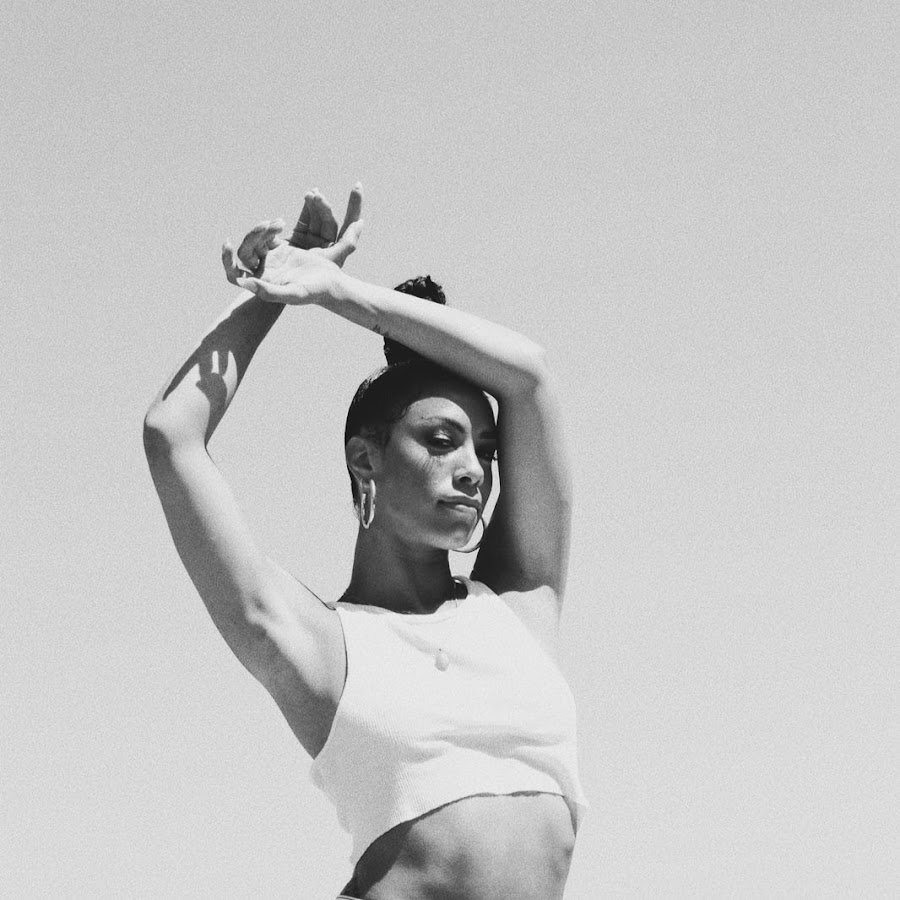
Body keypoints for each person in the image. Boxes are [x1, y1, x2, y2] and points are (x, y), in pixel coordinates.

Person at [143, 184, 588, 899]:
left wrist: (339, 290)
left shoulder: (519, 599)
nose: (473, 469)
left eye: (484, 448)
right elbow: (172, 436)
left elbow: (529, 377)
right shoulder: (321, 645)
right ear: (365, 459)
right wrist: (273, 292)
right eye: (441, 440)